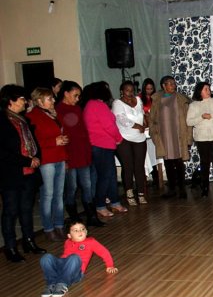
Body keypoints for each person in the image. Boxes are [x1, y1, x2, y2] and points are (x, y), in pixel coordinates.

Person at [0, 85, 46, 262]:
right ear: (10, 101)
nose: (25, 102)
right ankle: (10, 247)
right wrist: (27, 161)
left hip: (29, 172)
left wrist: (36, 157)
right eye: (21, 99)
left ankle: (29, 241)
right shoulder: (2, 121)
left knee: (26, 209)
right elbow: (3, 152)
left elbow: (33, 143)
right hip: (11, 173)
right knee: (11, 210)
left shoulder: (22, 120)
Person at [55, 81, 104, 228]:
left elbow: (82, 131)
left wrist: (88, 151)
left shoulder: (77, 108)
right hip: (70, 154)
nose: (77, 99)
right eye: (75, 95)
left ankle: (91, 216)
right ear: (66, 93)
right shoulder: (58, 110)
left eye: (79, 96)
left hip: (82, 152)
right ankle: (75, 218)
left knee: (87, 185)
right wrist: (64, 158)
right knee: (71, 187)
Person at [26, 87, 68, 242]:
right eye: (50, 98)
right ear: (39, 101)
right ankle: (48, 228)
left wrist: (63, 139)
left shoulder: (52, 114)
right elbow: (32, 142)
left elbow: (61, 131)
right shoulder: (32, 116)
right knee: (48, 195)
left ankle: (59, 225)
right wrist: (53, 142)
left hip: (59, 157)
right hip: (46, 160)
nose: (53, 100)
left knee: (59, 194)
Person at [39, 221, 118, 297]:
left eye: (82, 229)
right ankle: (51, 284)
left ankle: (62, 284)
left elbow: (104, 252)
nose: (80, 231)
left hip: (76, 272)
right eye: (76, 230)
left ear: (86, 232)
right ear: (69, 235)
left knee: (74, 257)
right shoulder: (67, 242)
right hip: (62, 266)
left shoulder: (91, 242)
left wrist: (110, 265)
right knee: (46, 257)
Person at [83, 82, 127, 217]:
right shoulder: (97, 105)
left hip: (102, 145)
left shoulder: (91, 105)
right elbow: (109, 126)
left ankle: (114, 201)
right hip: (101, 145)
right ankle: (100, 205)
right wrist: (118, 138)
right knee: (105, 176)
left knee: (110, 175)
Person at [149, 76, 192, 199]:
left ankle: (182, 189)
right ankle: (172, 189)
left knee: (179, 163)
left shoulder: (181, 99)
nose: (174, 85)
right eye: (170, 84)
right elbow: (152, 119)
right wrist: (154, 134)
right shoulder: (157, 99)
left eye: (174, 83)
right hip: (164, 137)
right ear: (164, 85)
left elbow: (188, 120)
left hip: (179, 136)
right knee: (168, 163)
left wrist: (189, 137)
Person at [187, 81, 213, 197]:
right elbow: (189, 122)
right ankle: (205, 187)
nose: (208, 91)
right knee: (204, 162)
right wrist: (201, 117)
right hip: (201, 138)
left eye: (209, 89)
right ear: (199, 91)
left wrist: (212, 116)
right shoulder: (193, 105)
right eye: (205, 89)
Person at [113, 81, 147, 206]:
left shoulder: (138, 99)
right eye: (127, 90)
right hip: (124, 138)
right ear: (122, 91)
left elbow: (142, 113)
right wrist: (138, 125)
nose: (130, 92)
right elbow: (121, 119)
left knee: (139, 166)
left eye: (132, 90)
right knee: (128, 167)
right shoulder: (117, 103)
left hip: (139, 138)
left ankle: (141, 193)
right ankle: (129, 193)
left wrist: (145, 121)